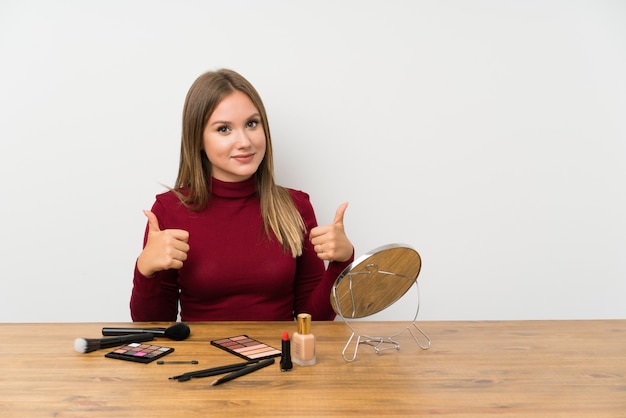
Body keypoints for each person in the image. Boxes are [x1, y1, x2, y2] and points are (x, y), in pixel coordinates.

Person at [130, 69, 354, 322]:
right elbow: (155, 328)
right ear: (198, 139)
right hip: (203, 360)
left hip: (278, 358)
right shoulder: (168, 210)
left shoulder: (296, 207)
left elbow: (314, 320)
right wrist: (145, 270)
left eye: (251, 124)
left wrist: (342, 263)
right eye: (224, 129)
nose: (244, 141)